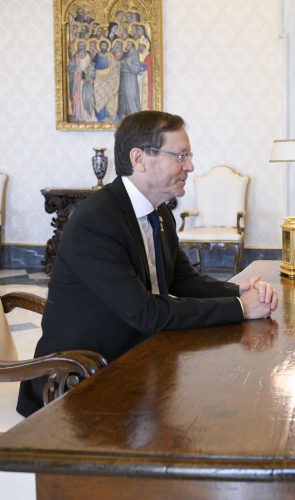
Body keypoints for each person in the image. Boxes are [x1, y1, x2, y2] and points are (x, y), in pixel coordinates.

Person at [17, 111, 278, 416]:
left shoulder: (161, 214)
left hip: (139, 358)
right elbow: (146, 313)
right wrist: (242, 309)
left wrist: (239, 291)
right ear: (140, 159)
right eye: (180, 155)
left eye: (189, 155)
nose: (190, 166)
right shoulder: (96, 221)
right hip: (79, 380)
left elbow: (186, 281)